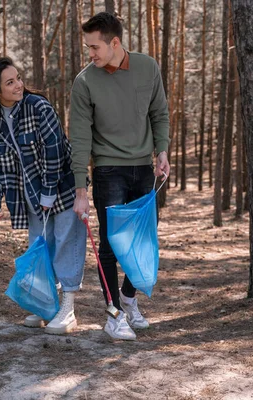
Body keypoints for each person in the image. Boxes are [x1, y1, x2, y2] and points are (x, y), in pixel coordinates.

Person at [0, 57, 87, 335]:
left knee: (67, 244)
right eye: (10, 82)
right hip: (29, 197)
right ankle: (47, 306)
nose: (19, 85)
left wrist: (48, 192)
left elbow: (55, 150)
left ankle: (68, 309)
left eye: (18, 78)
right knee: (40, 249)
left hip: (61, 190)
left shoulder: (38, 107)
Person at [69, 12, 171, 341]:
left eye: (95, 47)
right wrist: (80, 189)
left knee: (143, 240)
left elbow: (159, 113)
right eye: (88, 47)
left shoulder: (147, 67)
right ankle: (114, 314)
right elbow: (80, 139)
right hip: (108, 170)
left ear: (115, 43)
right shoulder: (84, 82)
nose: (90, 54)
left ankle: (129, 298)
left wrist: (162, 152)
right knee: (112, 246)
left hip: (143, 168)